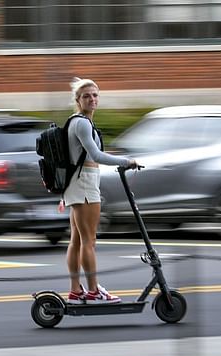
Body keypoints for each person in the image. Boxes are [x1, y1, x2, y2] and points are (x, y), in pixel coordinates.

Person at [62, 77, 139, 305]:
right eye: (87, 96)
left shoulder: (77, 121)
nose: (92, 99)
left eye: (95, 95)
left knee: (77, 240)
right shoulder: (82, 123)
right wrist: (126, 161)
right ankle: (94, 290)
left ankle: (76, 289)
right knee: (89, 241)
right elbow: (96, 156)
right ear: (78, 100)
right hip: (84, 183)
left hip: (77, 183)